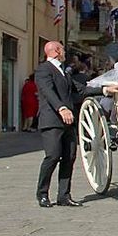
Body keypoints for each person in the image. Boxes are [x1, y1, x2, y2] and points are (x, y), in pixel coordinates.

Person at [35, 41, 83, 208]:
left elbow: (80, 90)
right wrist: (61, 108)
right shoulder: (44, 69)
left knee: (69, 157)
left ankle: (64, 195)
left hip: (69, 121)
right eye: (62, 49)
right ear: (56, 51)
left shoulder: (64, 72)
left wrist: (106, 89)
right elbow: (48, 92)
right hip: (52, 120)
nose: (64, 52)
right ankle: (42, 193)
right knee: (53, 156)